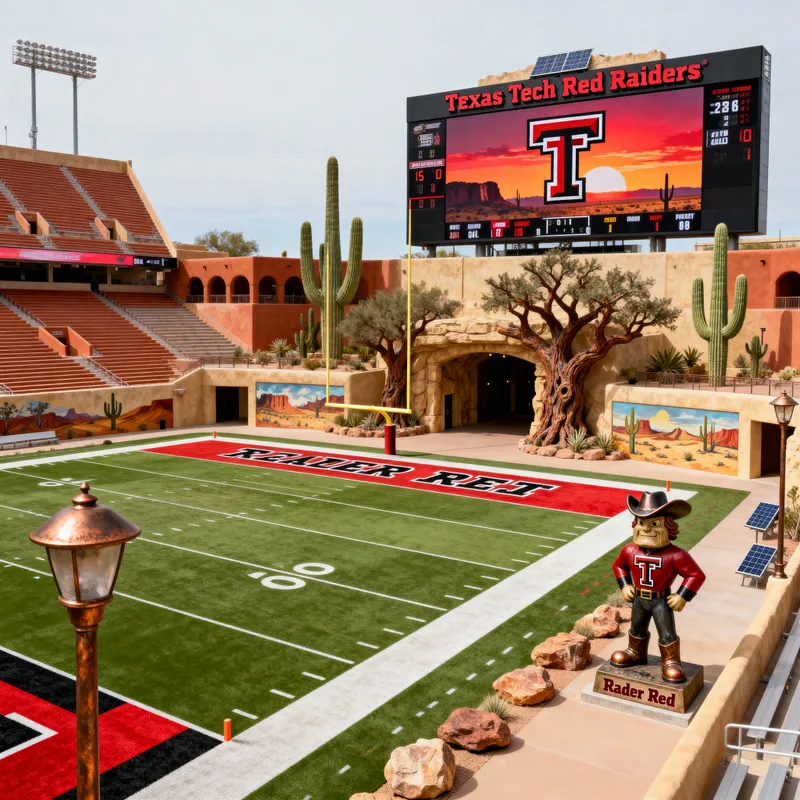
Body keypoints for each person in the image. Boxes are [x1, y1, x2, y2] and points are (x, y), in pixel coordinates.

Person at [610, 490, 705, 683]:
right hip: (639, 598)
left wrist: (682, 596)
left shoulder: (675, 555)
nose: (646, 529)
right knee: (636, 627)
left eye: (654, 523)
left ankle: (671, 661)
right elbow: (618, 566)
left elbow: (695, 575)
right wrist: (625, 585)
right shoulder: (629, 550)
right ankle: (635, 652)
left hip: (661, 600)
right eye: (642, 522)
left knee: (667, 632)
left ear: (668, 526)